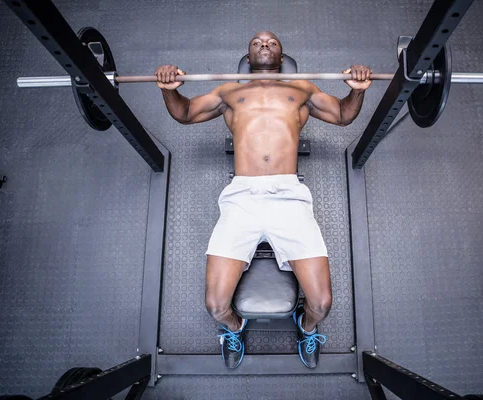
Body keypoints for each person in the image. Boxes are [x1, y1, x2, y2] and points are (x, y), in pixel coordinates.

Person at [155, 31, 372, 369]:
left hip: (289, 197)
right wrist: (171, 91)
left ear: (281, 55)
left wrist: (356, 92)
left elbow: (343, 114)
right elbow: (185, 113)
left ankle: (307, 327)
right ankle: (235, 328)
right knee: (215, 305)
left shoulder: (302, 90)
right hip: (241, 198)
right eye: (257, 42)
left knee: (322, 304)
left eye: (271, 41)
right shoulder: (230, 91)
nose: (265, 44)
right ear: (248, 55)